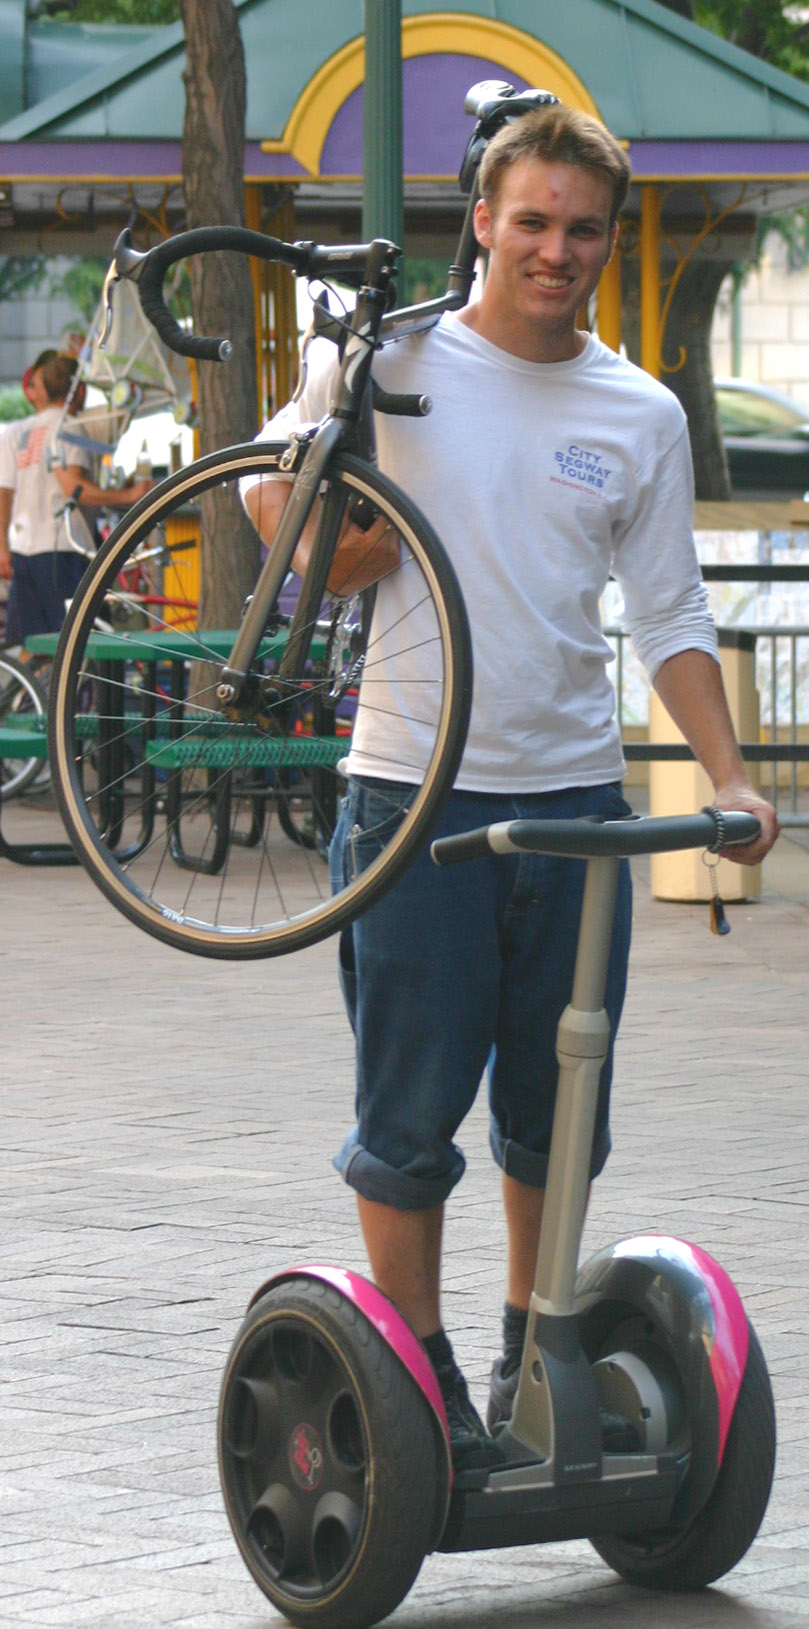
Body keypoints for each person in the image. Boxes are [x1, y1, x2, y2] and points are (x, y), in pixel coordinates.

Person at [243, 105, 779, 1469]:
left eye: (580, 227)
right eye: (529, 220)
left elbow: (668, 618)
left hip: (576, 809)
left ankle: (530, 1348)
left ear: (605, 239)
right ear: (480, 216)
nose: (555, 249)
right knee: (410, 1118)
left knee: (563, 1118)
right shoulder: (389, 359)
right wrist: (330, 497)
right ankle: (416, 1382)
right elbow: (285, 523)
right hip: (412, 804)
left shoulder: (638, 410)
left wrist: (727, 775)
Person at [0, 353, 153, 648]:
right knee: (74, 644)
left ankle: (23, 695)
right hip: (64, 549)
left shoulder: (14, 433)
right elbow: (74, 488)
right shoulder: (68, 429)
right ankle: (67, 695)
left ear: (40, 389)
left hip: (23, 549)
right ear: (78, 390)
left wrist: (2, 548)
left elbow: (3, 492)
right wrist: (129, 495)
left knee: (29, 646)